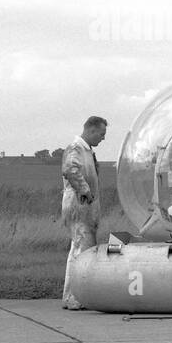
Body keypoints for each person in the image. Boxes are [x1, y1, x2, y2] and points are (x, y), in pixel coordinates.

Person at [61, 116, 107, 310]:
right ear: (91, 130)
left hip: (85, 206)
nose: (103, 138)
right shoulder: (76, 148)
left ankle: (73, 294)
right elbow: (70, 169)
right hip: (79, 205)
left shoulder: (87, 151)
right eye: (102, 134)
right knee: (81, 250)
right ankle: (74, 297)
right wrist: (84, 190)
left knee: (79, 249)